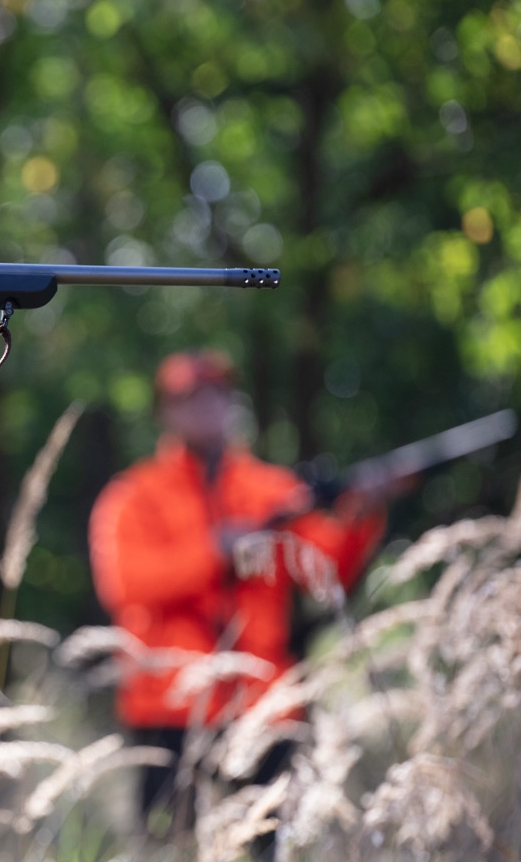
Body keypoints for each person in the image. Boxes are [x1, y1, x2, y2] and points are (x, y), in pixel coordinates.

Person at [88, 349, 385, 835]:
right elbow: (126, 584)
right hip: (169, 708)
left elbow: (326, 574)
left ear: (233, 404)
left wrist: (362, 515)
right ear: (167, 411)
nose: (205, 409)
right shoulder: (133, 496)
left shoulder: (273, 490)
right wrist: (216, 551)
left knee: (266, 860)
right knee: (169, 860)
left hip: (264, 703)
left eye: (216, 397)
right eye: (189, 399)